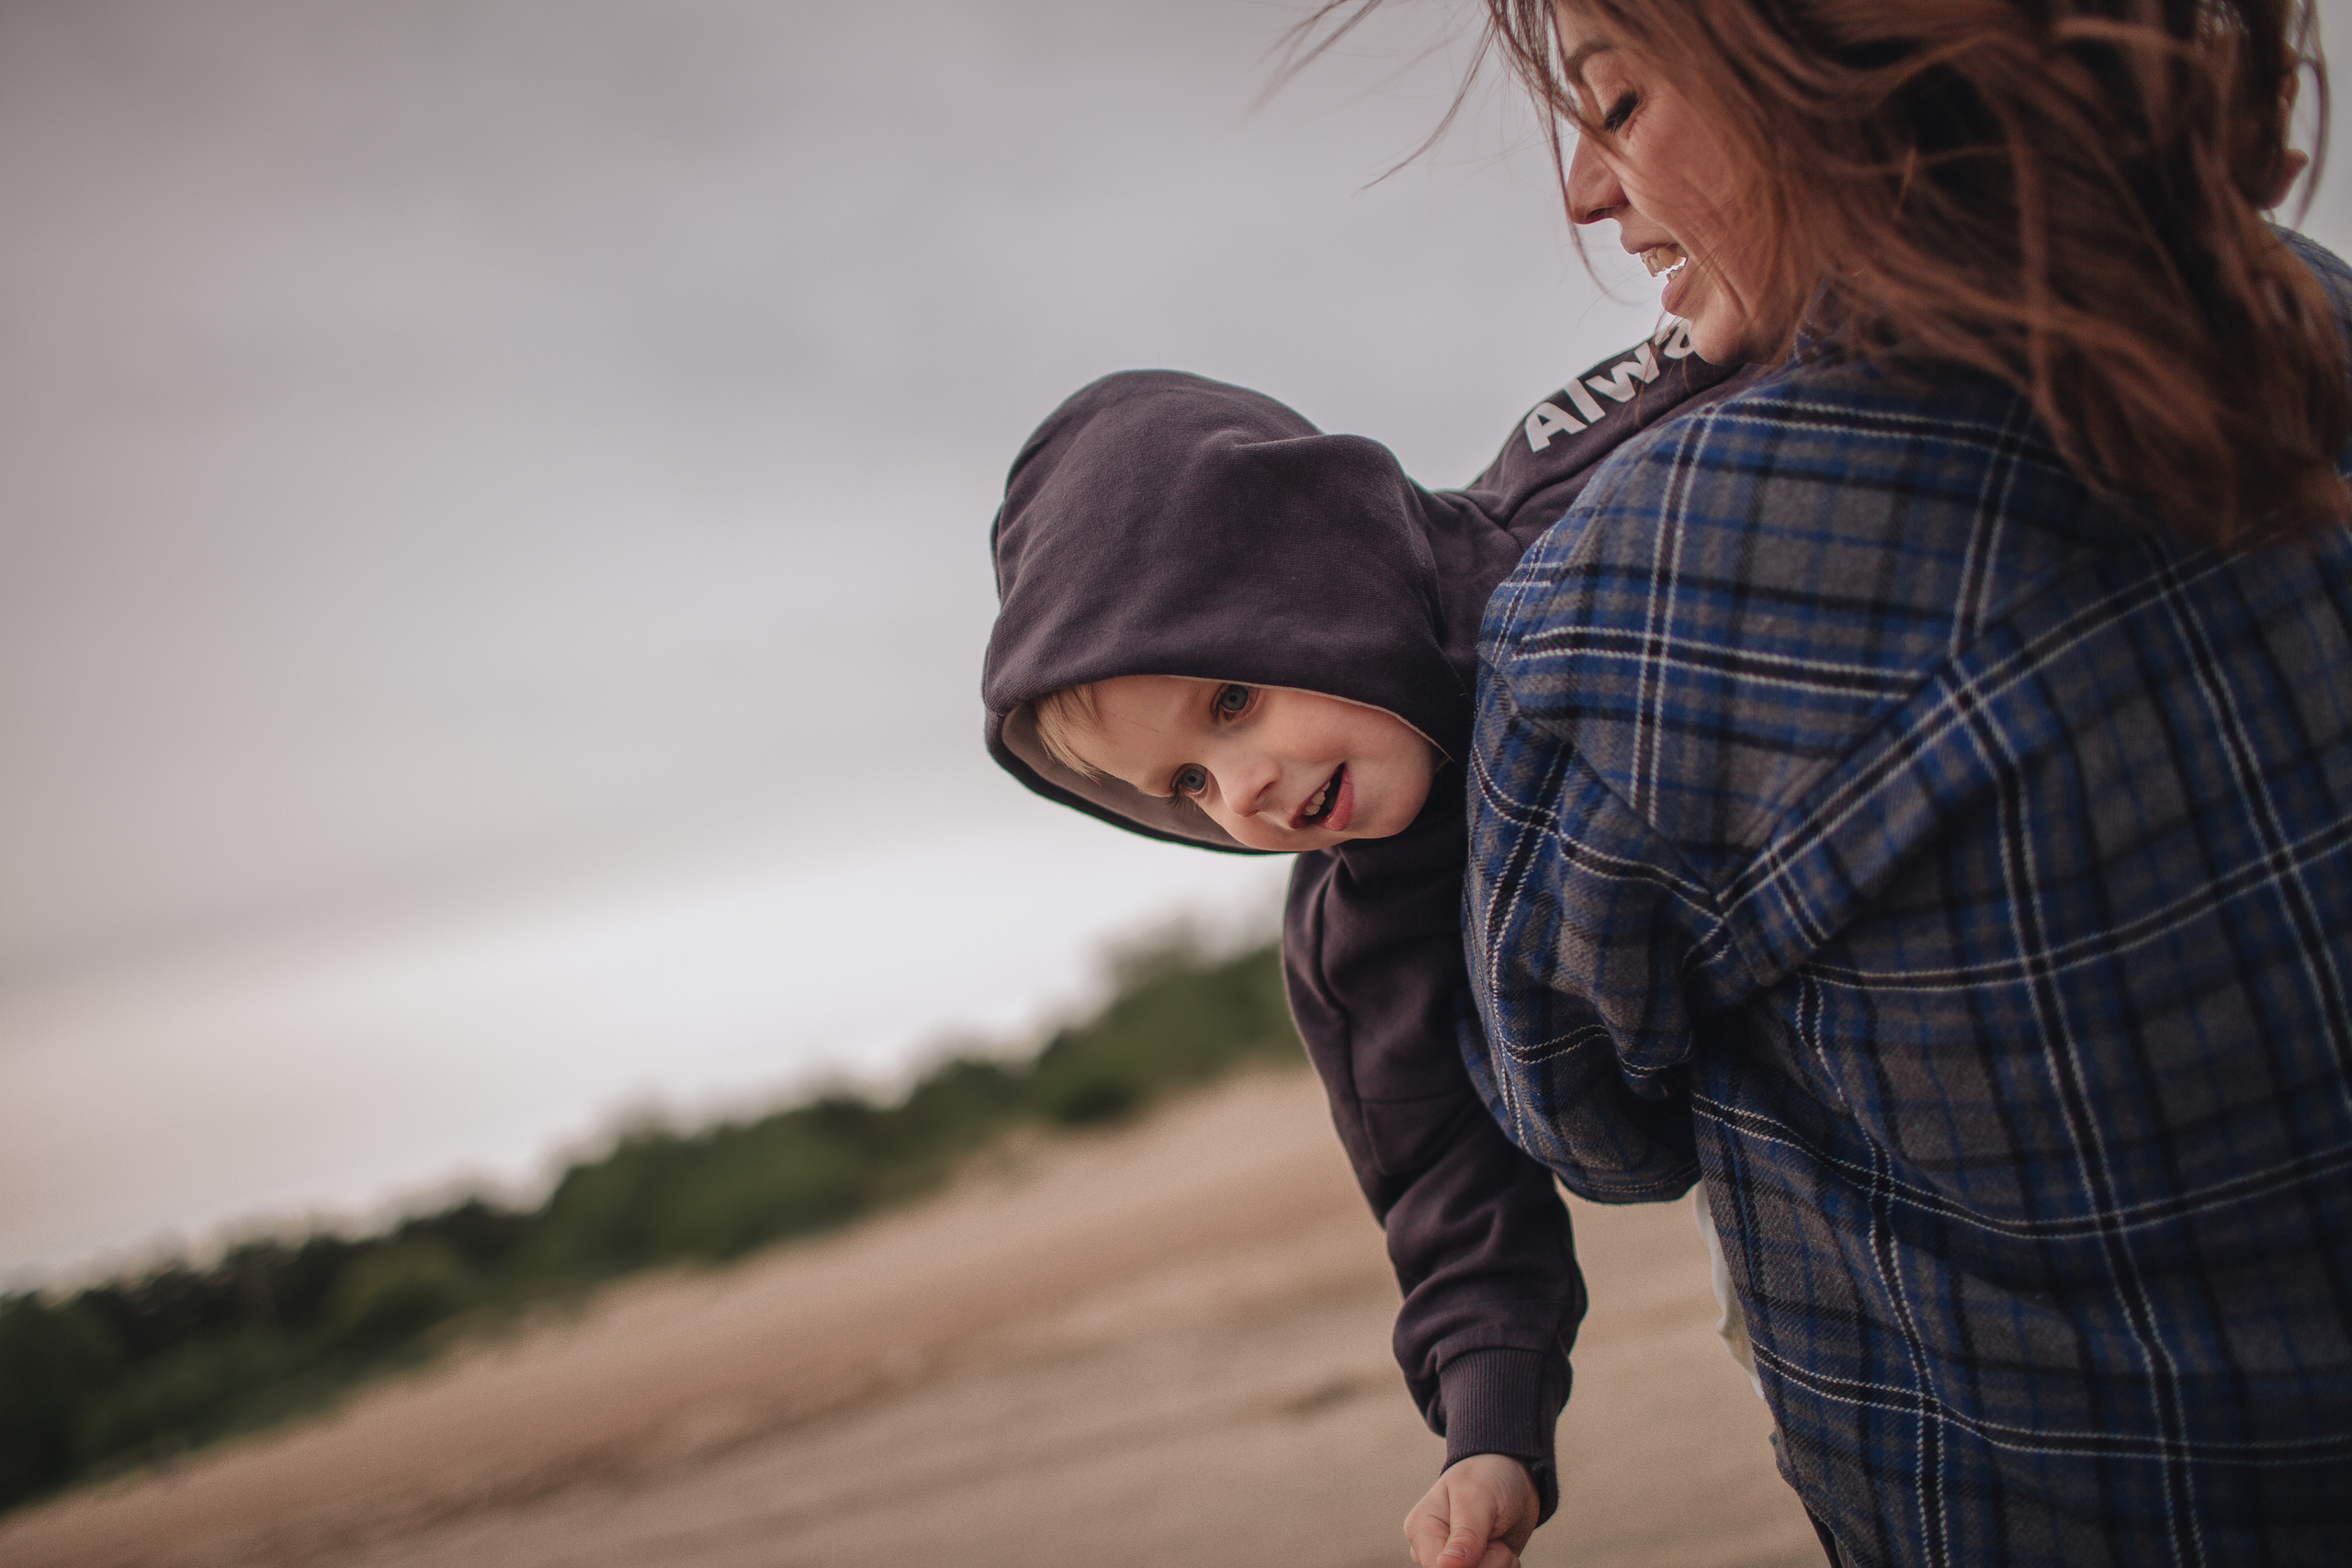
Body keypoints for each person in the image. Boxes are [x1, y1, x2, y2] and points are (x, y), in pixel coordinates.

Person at [1443, 0, 2352, 1562]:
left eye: (1623, 103)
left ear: (1851, 61)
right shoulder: (2298, 307)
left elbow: (1592, 1125)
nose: (1585, 193)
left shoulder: (1644, 597)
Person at [980, 340, 1753, 1566]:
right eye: (1184, 781)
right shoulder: (1360, 936)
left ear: (1319, 554)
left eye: (1233, 700)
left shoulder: (1584, 496)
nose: (1247, 791)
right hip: (1785, 1176)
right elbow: (1443, 1181)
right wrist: (1491, 1432)